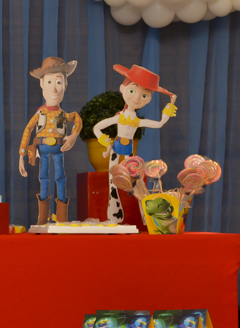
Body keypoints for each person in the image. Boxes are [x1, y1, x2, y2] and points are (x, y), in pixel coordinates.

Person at [91, 64, 178, 223]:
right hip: (116, 147)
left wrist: (170, 105)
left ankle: (144, 215)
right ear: (122, 89)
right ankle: (114, 213)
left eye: (144, 95)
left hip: (129, 151)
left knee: (136, 182)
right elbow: (97, 128)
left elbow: (159, 124)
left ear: (149, 99)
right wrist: (106, 142)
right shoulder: (119, 117)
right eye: (132, 91)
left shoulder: (137, 121)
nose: (137, 98)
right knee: (112, 179)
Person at [18, 57, 82, 225]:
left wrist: (73, 135)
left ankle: (62, 217)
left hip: (59, 149)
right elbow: (28, 129)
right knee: (43, 177)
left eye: (59, 82)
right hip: (43, 149)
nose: (54, 88)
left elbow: (77, 117)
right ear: (42, 84)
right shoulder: (40, 114)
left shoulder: (64, 115)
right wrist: (22, 154)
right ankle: (42, 217)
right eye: (49, 82)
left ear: (65, 85)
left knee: (60, 177)